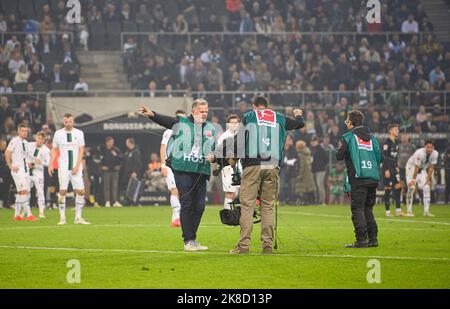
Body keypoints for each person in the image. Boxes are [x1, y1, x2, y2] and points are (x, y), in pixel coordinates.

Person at [213, 96, 304, 254]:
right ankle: (267, 246)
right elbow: (299, 124)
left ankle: (243, 246)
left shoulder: (249, 116)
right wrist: (298, 113)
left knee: (248, 206)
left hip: (253, 164)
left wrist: (226, 157)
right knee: (267, 206)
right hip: (272, 165)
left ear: (254, 106)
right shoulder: (279, 117)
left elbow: (239, 141)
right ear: (267, 106)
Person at [139, 99, 216, 252]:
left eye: (206, 112)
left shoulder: (210, 129)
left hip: (200, 171)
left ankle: (192, 238)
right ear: (194, 111)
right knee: (187, 203)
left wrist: (214, 157)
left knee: (200, 207)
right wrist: (152, 114)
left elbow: (212, 149)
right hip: (183, 169)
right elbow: (167, 121)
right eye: (202, 112)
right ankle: (188, 240)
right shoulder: (182, 123)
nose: (204, 114)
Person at [337, 110, 382, 248]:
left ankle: (361, 240)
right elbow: (380, 157)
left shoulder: (349, 137)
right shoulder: (372, 138)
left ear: (350, 123)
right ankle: (373, 239)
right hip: (373, 178)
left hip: (358, 178)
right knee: (368, 208)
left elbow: (339, 155)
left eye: (347, 121)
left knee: (357, 208)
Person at [49, 113, 90, 225]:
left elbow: (81, 150)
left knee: (81, 192)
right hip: (63, 167)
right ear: (64, 122)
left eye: (70, 121)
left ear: (73, 121)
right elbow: (54, 149)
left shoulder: (79, 133)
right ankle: (62, 218)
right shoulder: (58, 134)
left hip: (76, 167)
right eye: (66, 121)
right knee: (62, 191)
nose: (68, 123)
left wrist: (77, 166)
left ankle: (78, 218)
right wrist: (51, 164)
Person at [5, 124, 38, 221]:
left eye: (26, 131)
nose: (25, 132)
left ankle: (16, 215)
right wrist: (11, 166)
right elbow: (7, 153)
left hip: (25, 170)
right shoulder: (14, 141)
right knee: (24, 192)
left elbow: (25, 157)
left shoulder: (26, 143)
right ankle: (29, 215)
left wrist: (29, 164)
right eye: (23, 131)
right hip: (18, 170)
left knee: (23, 193)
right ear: (18, 131)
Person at [160, 110, 186, 227]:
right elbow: (163, 148)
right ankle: (176, 218)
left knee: (181, 191)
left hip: (182, 165)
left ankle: (179, 217)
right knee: (174, 189)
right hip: (170, 165)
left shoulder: (187, 132)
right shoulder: (169, 130)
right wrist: (163, 165)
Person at [405, 141, 439, 217]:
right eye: (428, 147)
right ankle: (409, 211)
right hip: (412, 167)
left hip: (422, 168)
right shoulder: (419, 153)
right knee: (411, 188)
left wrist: (428, 180)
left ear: (433, 147)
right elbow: (416, 168)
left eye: (431, 147)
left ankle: (426, 212)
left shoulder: (435, 153)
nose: (429, 149)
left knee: (427, 187)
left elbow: (431, 167)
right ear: (425, 147)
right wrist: (413, 180)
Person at [216, 114, 242, 210]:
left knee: (239, 191)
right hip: (227, 167)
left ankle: (237, 213)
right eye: (232, 123)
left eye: (236, 123)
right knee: (230, 191)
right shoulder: (224, 137)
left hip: (239, 166)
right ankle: (228, 213)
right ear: (228, 124)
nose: (234, 125)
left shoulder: (240, 136)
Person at [382, 124, 406, 217]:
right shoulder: (386, 142)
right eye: (395, 129)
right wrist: (386, 169)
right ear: (390, 131)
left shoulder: (396, 142)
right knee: (388, 189)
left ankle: (398, 210)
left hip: (394, 168)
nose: (397, 131)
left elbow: (394, 157)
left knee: (398, 186)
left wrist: (396, 166)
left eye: (397, 129)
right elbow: (384, 157)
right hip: (387, 168)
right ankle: (387, 211)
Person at [28, 131, 51, 218]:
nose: (40, 140)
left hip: (38, 173)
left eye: (42, 139)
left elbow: (48, 163)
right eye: (39, 138)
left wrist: (41, 162)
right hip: (28, 172)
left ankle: (41, 212)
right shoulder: (29, 145)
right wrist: (27, 163)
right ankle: (25, 211)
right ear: (36, 138)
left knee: (40, 192)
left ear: (44, 140)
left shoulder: (46, 150)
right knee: (26, 191)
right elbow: (24, 156)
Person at [100, 136, 123, 208]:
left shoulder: (116, 150)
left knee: (115, 186)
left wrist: (119, 166)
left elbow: (122, 158)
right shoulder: (103, 150)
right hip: (106, 171)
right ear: (107, 142)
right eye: (110, 142)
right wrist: (101, 167)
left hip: (115, 171)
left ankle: (115, 201)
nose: (111, 144)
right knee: (106, 186)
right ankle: (107, 201)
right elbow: (99, 160)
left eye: (112, 142)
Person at [122, 138, 142, 206]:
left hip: (133, 173)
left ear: (130, 143)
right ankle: (128, 201)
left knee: (133, 188)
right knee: (128, 187)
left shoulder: (136, 151)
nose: (126, 144)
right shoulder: (127, 152)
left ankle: (134, 202)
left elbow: (138, 163)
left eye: (126, 142)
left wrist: (135, 172)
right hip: (127, 173)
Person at [310, 135, 328, 205]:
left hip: (320, 170)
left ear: (317, 141)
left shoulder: (320, 149)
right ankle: (318, 201)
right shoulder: (312, 149)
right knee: (317, 186)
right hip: (314, 170)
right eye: (312, 141)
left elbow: (326, 159)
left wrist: (322, 165)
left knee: (320, 186)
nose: (313, 143)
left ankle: (323, 201)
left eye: (314, 141)